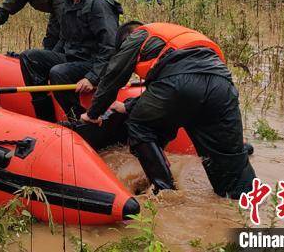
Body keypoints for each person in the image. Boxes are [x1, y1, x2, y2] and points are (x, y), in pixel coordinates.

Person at [81, 21, 256, 199]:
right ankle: (246, 199)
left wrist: (93, 113)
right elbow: (177, 84)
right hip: (222, 88)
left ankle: (164, 189)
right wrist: (127, 106)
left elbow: (114, 75)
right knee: (229, 158)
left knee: (139, 125)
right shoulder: (176, 38)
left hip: (178, 86)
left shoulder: (136, 36)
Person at [19, 0, 122, 122]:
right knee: (30, 58)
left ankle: (78, 120)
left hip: (94, 62)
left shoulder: (97, 3)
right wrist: (49, 58)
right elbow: (64, 38)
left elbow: (110, 46)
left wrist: (92, 77)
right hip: (74, 57)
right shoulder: (67, 0)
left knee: (58, 72)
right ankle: (45, 120)